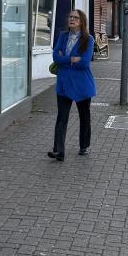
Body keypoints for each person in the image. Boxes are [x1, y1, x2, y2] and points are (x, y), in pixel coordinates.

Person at [48, 9, 97, 162]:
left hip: (82, 85)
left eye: (75, 17)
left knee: (84, 117)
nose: (72, 19)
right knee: (61, 118)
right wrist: (72, 59)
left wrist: (66, 59)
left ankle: (84, 146)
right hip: (63, 84)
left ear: (81, 21)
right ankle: (59, 151)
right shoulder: (62, 36)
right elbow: (55, 57)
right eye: (70, 17)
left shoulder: (88, 39)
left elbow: (84, 62)